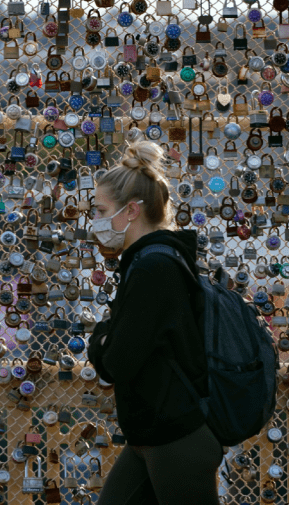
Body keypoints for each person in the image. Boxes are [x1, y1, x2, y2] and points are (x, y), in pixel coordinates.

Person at [87, 141, 223, 505]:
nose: (95, 221)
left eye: (101, 210)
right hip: (151, 436)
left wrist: (100, 338)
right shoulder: (149, 261)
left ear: (131, 211)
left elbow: (116, 361)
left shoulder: (153, 268)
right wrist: (109, 337)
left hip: (175, 439)